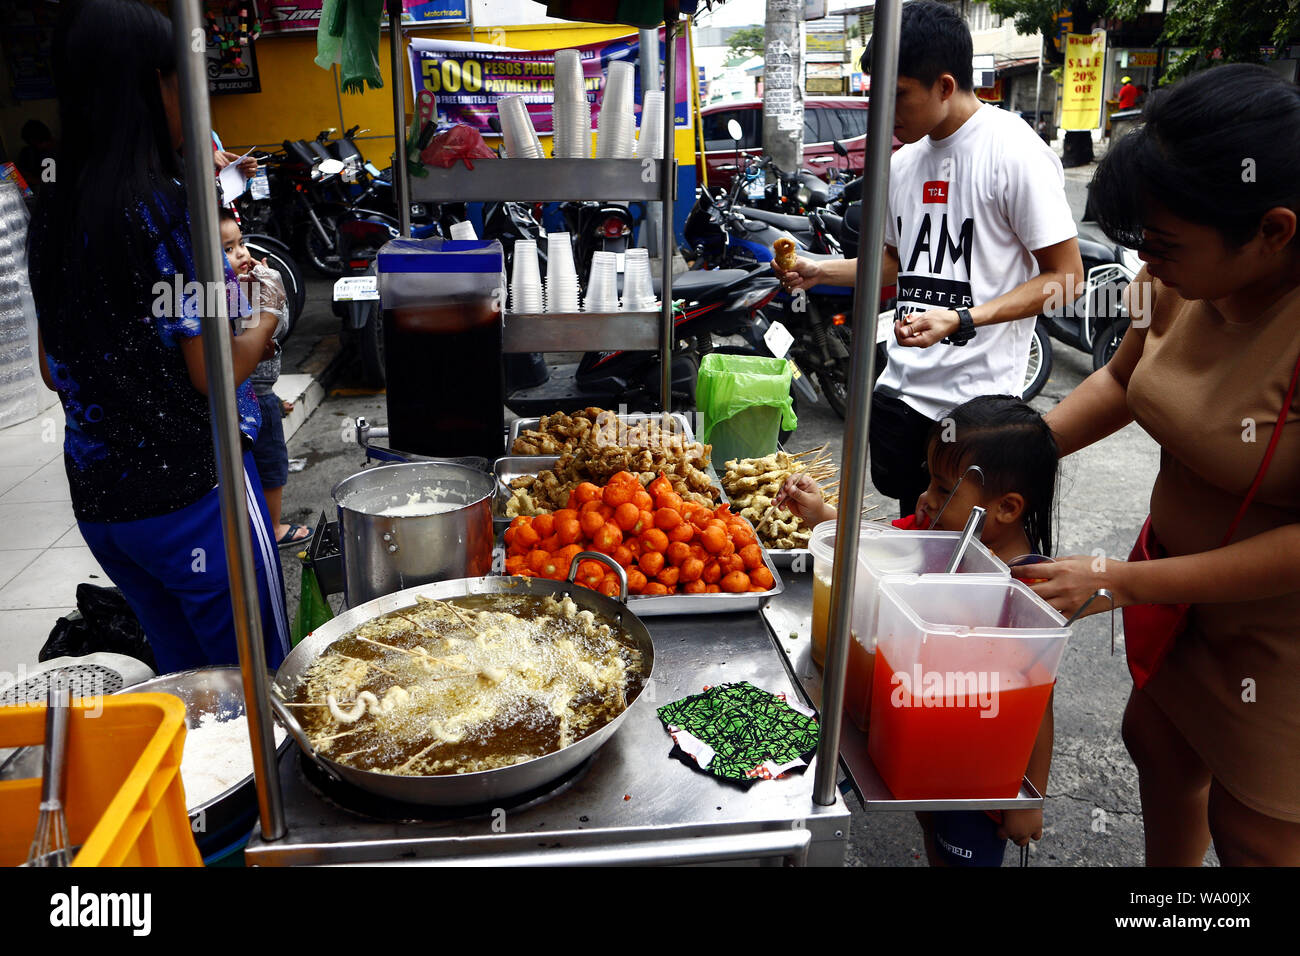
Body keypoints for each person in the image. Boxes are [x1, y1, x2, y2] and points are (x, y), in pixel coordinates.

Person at [1013, 64, 1300, 866]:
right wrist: (1013, 454)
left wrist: (1119, 582)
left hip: (1279, 632)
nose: (1146, 262)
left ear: (1273, 231)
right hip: (1181, 596)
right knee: (1161, 748)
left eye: (1164, 246)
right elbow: (1119, 378)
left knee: (1260, 834)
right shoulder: (1163, 274)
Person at [28, 0, 291, 673]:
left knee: (191, 690)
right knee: (259, 688)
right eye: (183, 82)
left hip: (107, 510)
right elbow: (211, 370)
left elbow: (54, 369)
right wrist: (264, 307)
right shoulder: (166, 210)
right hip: (195, 503)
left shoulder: (51, 208)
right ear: (150, 87)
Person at [775, 0, 1083, 519]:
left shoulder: (1014, 151)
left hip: (974, 407)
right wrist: (819, 269)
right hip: (900, 392)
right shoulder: (902, 163)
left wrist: (963, 319)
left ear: (944, 85)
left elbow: (1066, 278)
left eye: (898, 97)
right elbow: (898, 264)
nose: (886, 115)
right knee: (908, 534)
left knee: (960, 558)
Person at [781, 396, 1061, 864]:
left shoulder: (1023, 587)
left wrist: (1026, 799)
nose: (924, 499)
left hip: (977, 767)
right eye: (929, 480)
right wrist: (822, 514)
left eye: (942, 487)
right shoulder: (938, 533)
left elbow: (1040, 704)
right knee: (932, 825)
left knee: (961, 848)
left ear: (1007, 508)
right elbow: (883, 543)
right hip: (921, 735)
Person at [219, 208, 309, 547]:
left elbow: (278, 332)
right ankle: (272, 528)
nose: (241, 253)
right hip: (254, 398)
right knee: (271, 463)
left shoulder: (248, 284)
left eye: (240, 243)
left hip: (260, 391)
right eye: (228, 248)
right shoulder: (229, 293)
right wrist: (271, 300)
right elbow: (267, 334)